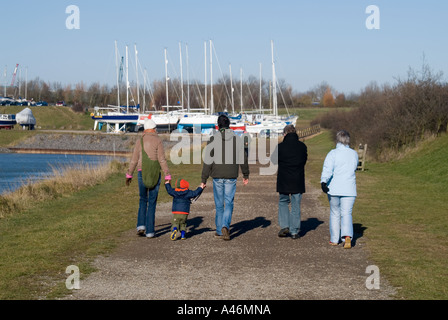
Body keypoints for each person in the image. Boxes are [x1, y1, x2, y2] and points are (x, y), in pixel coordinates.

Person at [201, 114, 250, 241]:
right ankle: (225, 226)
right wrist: (245, 174)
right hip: (231, 175)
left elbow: (208, 161)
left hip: (217, 175)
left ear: (218, 125)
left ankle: (219, 229)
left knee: (219, 204)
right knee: (228, 202)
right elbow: (242, 158)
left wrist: (204, 178)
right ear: (229, 125)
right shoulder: (237, 139)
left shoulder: (212, 139)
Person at [126, 118, 171, 238]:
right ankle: (150, 231)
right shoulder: (158, 141)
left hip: (141, 172)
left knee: (142, 199)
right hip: (155, 173)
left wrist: (129, 174)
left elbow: (134, 159)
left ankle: (141, 225)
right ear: (154, 129)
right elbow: (162, 159)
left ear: (145, 129)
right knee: (152, 202)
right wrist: (167, 174)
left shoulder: (140, 141)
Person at [320, 130, 358, 249]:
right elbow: (354, 167)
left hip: (334, 188)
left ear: (337, 140)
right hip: (349, 188)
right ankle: (347, 236)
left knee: (335, 213)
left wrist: (323, 181)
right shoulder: (354, 154)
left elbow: (328, 169)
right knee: (346, 213)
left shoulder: (333, 153)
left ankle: (334, 239)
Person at [271, 125, 308, 239]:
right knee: (296, 205)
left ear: (285, 134)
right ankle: (294, 231)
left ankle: (284, 225)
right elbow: (304, 160)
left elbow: (273, 160)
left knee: (283, 202)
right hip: (298, 179)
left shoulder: (280, 147)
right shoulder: (302, 146)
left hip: (284, 179)